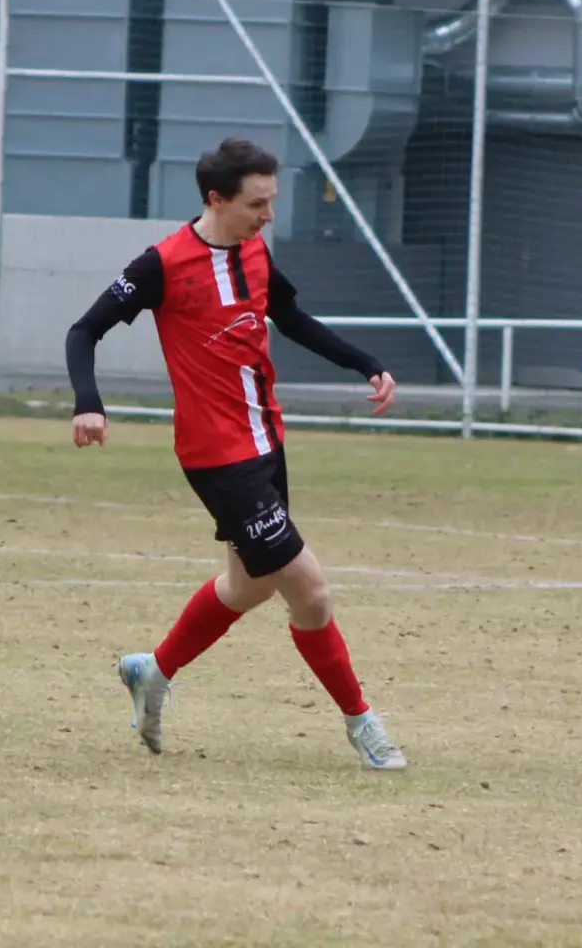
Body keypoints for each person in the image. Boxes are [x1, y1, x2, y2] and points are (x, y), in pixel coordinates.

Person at [63, 138, 407, 771]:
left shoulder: (254, 251)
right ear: (216, 199)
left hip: (265, 442)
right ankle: (363, 725)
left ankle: (152, 671)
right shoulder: (161, 265)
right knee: (311, 591)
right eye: (257, 203)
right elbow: (84, 330)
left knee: (246, 585)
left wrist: (366, 363)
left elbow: (295, 319)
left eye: (272, 201)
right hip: (217, 455)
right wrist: (90, 401)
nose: (268, 215)